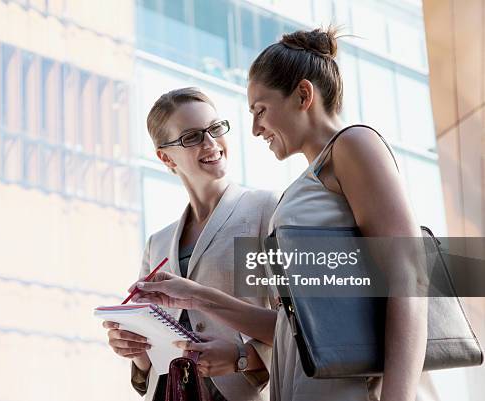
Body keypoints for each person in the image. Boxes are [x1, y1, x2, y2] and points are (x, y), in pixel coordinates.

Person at [133, 27, 438, 401]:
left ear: (303, 95)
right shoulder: (303, 186)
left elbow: (409, 277)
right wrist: (194, 298)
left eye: (260, 110)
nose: (255, 128)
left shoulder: (355, 144)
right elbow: (294, 326)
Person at [102, 87, 280, 401]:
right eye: (191, 137)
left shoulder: (264, 211)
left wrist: (242, 357)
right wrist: (136, 350)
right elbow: (154, 347)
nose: (211, 143)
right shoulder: (157, 244)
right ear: (165, 157)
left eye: (215, 129)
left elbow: (295, 324)